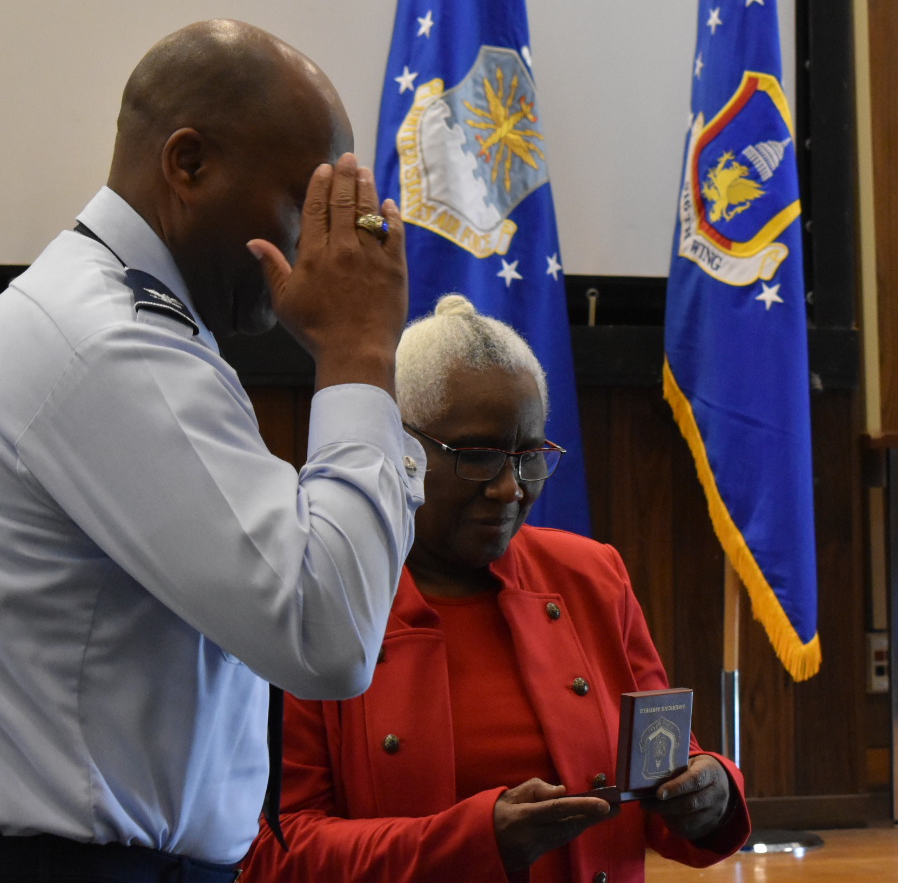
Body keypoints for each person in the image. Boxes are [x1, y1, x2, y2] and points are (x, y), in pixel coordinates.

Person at [0, 20, 423, 882]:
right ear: (189, 164)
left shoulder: (117, 321)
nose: (311, 247)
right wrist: (359, 356)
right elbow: (329, 638)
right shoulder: (110, 346)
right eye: (300, 202)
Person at [241, 294, 751, 883]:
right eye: (479, 458)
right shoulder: (319, 589)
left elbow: (667, 767)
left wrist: (709, 790)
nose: (511, 488)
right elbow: (274, 849)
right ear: (399, 448)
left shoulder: (590, 576)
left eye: (529, 455)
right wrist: (473, 842)